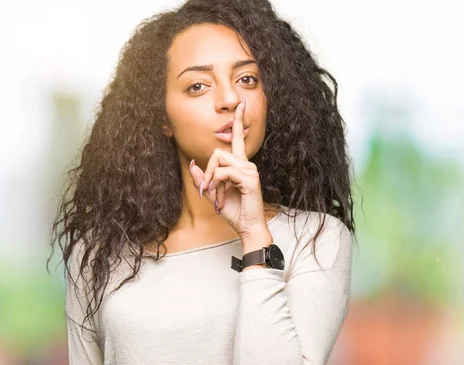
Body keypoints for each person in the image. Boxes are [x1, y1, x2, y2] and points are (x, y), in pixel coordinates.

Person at [48, 0, 356, 364]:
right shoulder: (99, 256)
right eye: (197, 86)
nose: (229, 99)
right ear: (161, 116)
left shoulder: (317, 239)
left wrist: (255, 237)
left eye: (247, 79)